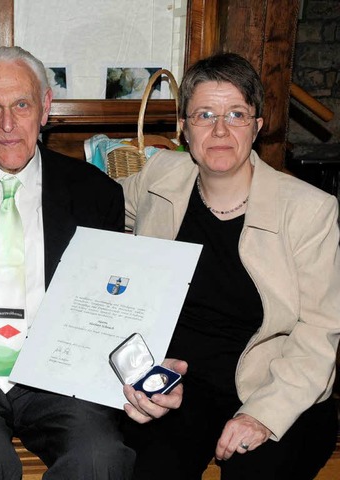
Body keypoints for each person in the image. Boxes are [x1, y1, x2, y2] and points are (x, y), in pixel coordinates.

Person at [0, 46, 185, 480]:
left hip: (61, 363)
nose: (8, 124)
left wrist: (146, 369)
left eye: (22, 105)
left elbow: (115, 305)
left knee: (99, 456)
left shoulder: (94, 193)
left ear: (45, 107)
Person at [118, 52, 340, 479]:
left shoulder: (309, 210)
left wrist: (262, 415)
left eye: (236, 114)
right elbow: (96, 207)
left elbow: (319, 332)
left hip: (277, 386)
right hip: (179, 386)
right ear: (183, 128)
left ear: (257, 127)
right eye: (205, 114)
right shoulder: (158, 177)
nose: (220, 129)